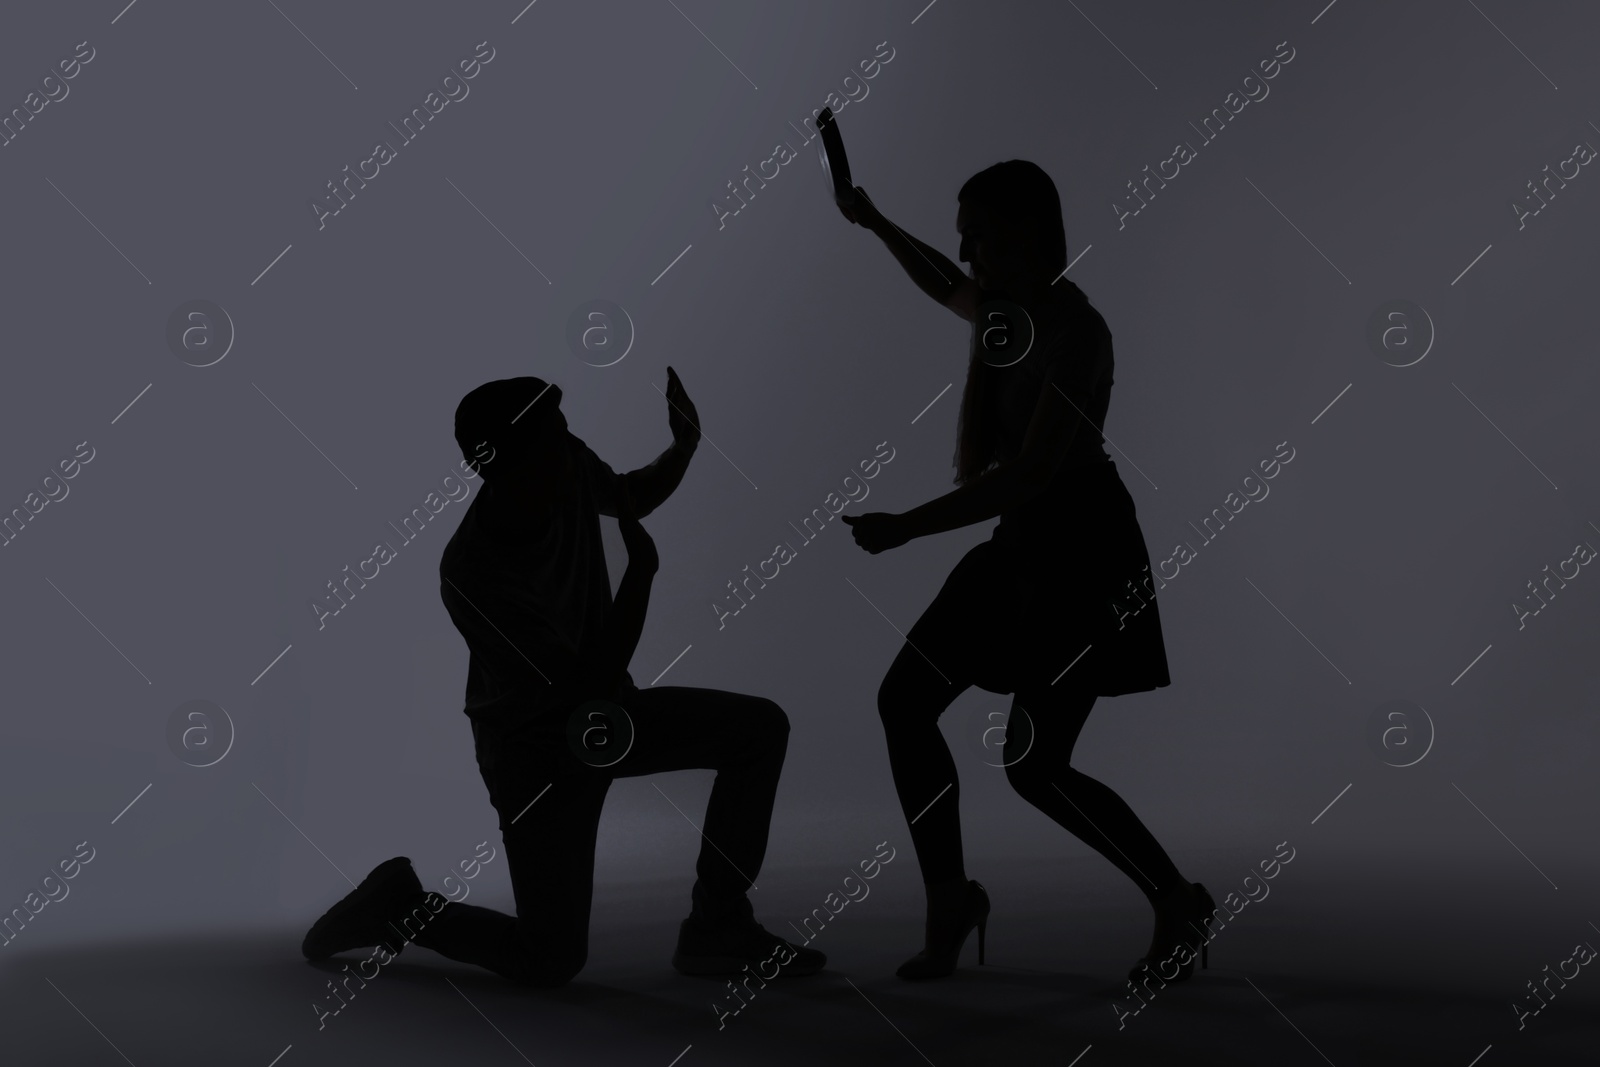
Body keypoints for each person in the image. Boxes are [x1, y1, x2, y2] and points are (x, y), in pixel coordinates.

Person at [301, 370, 824, 986]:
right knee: (549, 960)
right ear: (493, 466)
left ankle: (719, 927)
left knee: (759, 729)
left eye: (563, 429)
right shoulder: (473, 572)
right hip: (536, 755)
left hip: (600, 717)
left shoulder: (565, 461)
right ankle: (402, 908)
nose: (567, 447)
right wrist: (641, 577)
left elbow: (631, 496)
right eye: (547, 439)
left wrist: (683, 447)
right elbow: (586, 687)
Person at [836, 161, 1214, 984]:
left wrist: (907, 527)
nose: (966, 250)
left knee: (1035, 767)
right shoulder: (1007, 318)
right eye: (964, 231)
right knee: (905, 702)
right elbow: (943, 283)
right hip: (1021, 548)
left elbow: (1033, 474)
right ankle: (951, 897)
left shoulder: (1078, 332)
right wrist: (873, 220)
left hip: (1082, 556)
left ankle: (1177, 897)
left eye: (981, 231)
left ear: (1032, 234)